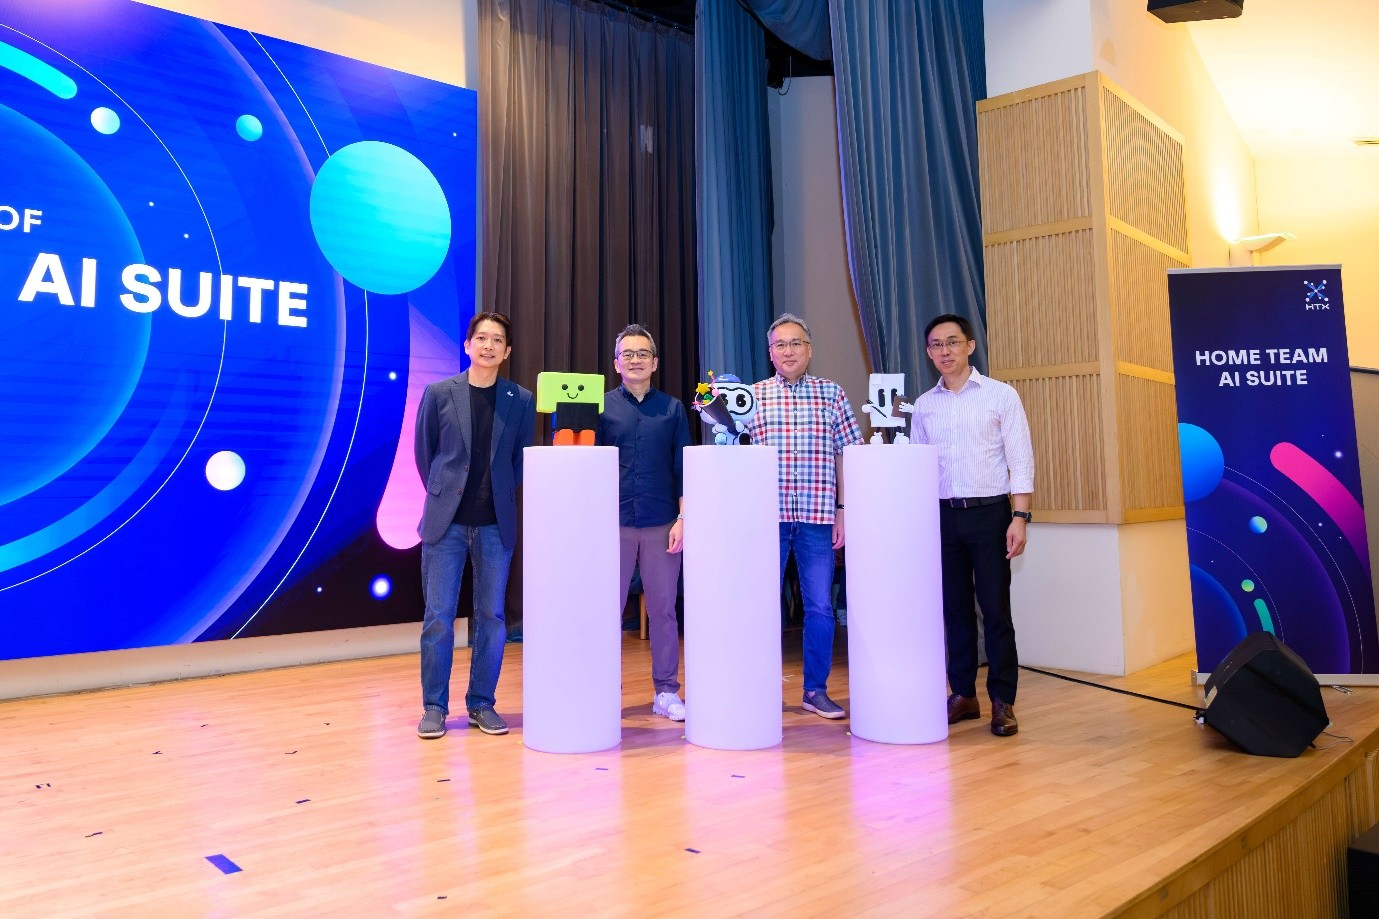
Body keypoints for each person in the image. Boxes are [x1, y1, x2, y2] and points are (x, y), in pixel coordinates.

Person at [911, 313, 1034, 737]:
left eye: (951, 342)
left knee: (996, 610)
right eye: (935, 345)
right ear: (928, 352)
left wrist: (1019, 516)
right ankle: (963, 695)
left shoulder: (1001, 396)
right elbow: (918, 467)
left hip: (991, 514)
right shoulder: (925, 405)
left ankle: (1004, 700)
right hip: (943, 516)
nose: (944, 351)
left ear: (970, 346)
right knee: (955, 611)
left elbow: (1020, 459)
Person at [414, 311, 535, 739]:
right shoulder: (438, 393)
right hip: (445, 524)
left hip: (494, 524)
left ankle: (482, 703)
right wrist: (446, 493)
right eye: (481, 338)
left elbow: (521, 460)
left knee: (492, 616)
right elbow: (424, 454)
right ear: (467, 345)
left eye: (497, 340)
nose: (488, 346)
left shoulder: (520, 400)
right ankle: (434, 707)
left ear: (507, 351)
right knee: (439, 618)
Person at [744, 313, 863, 719]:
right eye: (780, 344)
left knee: (819, 608)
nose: (788, 351)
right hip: (767, 519)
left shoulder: (832, 394)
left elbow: (848, 454)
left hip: (817, 517)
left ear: (809, 350)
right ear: (770, 353)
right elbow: (734, 458)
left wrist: (844, 511)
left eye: (795, 343)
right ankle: (758, 688)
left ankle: (815, 690)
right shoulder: (753, 396)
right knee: (761, 605)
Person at [597, 324, 691, 721]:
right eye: (627, 354)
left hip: (660, 524)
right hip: (611, 523)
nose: (635, 360)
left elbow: (683, 466)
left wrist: (684, 517)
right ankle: (601, 691)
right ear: (617, 363)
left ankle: (666, 691)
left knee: (664, 610)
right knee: (605, 610)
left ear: (655, 362)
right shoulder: (599, 407)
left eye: (642, 354)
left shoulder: (672, 409)